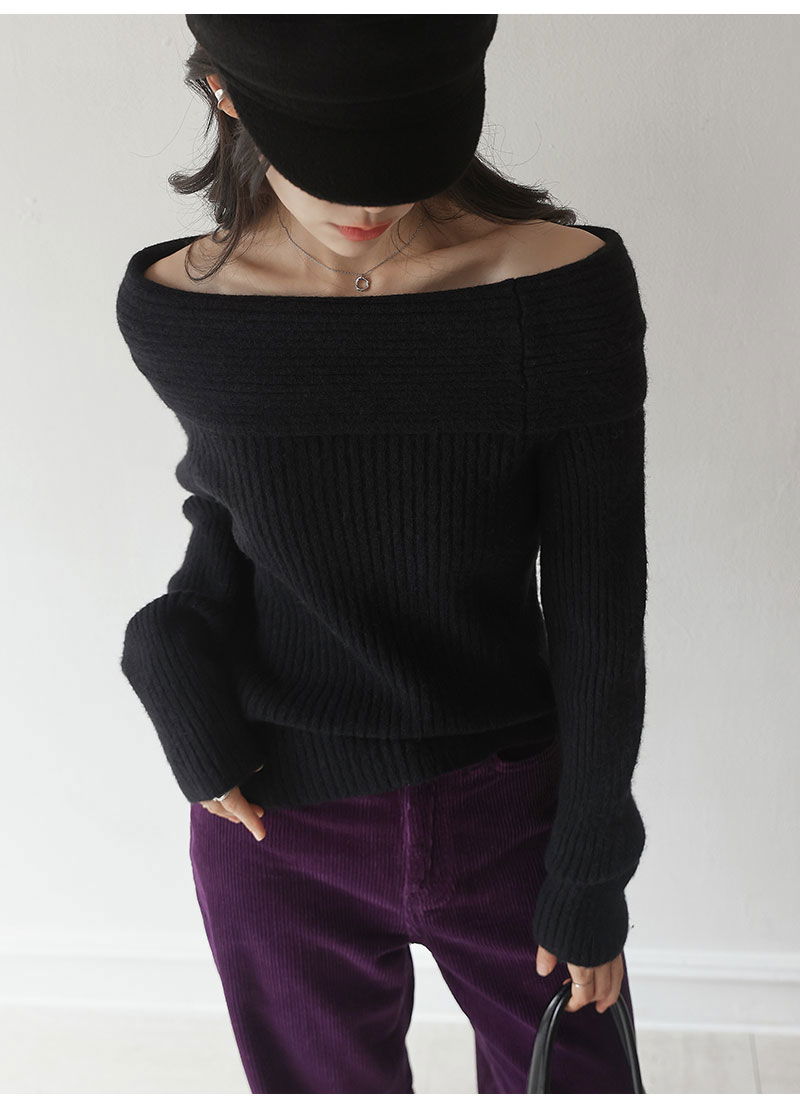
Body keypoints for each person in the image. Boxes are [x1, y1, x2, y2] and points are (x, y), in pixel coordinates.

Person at [115, 15, 649, 1094]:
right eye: (331, 156)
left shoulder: (559, 290)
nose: (367, 202)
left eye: (400, 149)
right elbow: (231, 527)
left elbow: (598, 600)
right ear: (224, 92)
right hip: (275, 823)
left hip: (508, 809)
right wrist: (167, 663)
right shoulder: (182, 308)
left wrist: (592, 861)